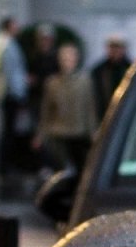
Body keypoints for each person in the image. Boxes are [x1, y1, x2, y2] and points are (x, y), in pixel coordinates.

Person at [34, 42, 96, 175]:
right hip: (58, 133)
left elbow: (90, 108)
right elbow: (46, 110)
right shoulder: (52, 83)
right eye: (64, 59)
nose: (67, 62)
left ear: (76, 60)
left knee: (80, 169)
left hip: (79, 132)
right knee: (61, 171)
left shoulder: (85, 81)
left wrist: (93, 132)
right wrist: (41, 134)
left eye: (70, 58)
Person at [0, 17, 29, 181]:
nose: (18, 28)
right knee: (9, 133)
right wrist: (19, 94)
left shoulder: (7, 45)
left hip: (10, 94)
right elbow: (11, 73)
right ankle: (5, 167)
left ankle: (6, 166)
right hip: (11, 95)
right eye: (15, 26)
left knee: (9, 132)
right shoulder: (8, 46)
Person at [90, 35, 132, 122]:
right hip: (103, 117)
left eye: (118, 47)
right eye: (113, 47)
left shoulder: (132, 69)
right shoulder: (99, 71)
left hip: (127, 115)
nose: (115, 51)